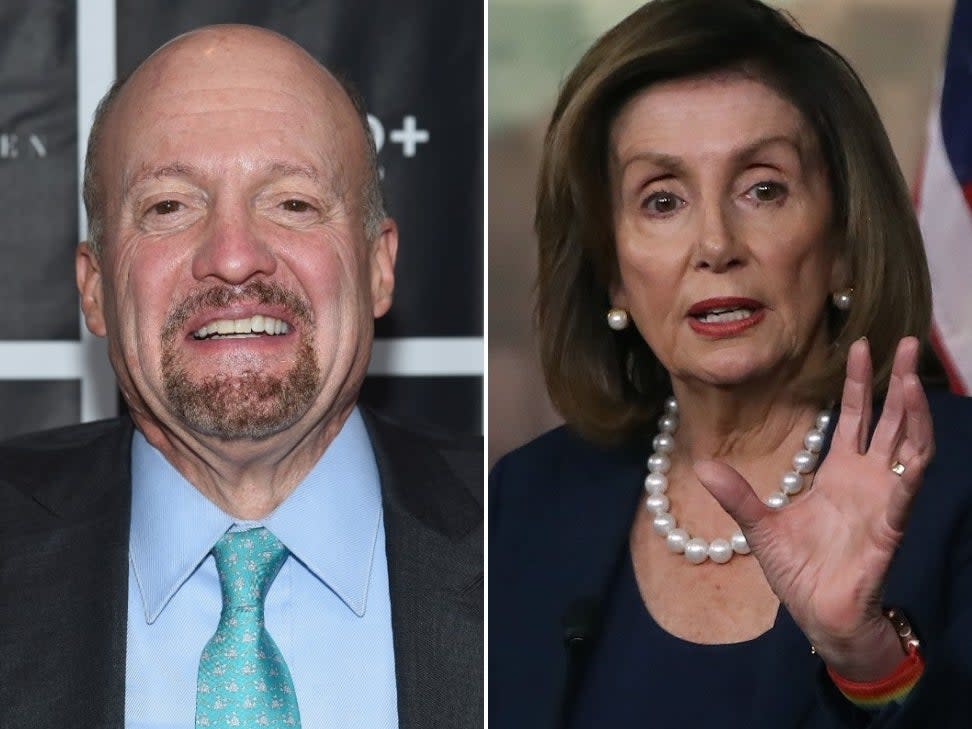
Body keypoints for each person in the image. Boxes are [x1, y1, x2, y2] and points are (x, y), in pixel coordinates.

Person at [489, 1, 972, 727]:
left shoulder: (960, 482)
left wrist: (865, 656)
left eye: (763, 188)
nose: (715, 243)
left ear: (842, 240)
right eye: (662, 199)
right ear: (613, 272)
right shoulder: (526, 504)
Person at [0, 25, 482, 729]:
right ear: (95, 285)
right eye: (169, 206)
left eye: (292, 203)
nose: (232, 257)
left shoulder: (517, 532)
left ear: (380, 265)